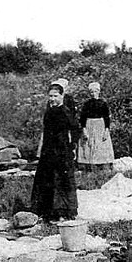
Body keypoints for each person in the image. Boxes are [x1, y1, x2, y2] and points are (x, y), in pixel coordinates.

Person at [31, 83, 80, 221]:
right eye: (50, 96)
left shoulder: (65, 111)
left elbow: (76, 129)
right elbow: (45, 132)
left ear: (62, 96)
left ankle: (63, 211)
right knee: (47, 179)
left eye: (55, 96)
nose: (52, 99)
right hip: (48, 150)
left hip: (62, 150)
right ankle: (46, 210)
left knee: (61, 180)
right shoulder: (48, 111)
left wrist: (72, 145)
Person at [77, 82, 114, 171]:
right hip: (89, 124)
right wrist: (84, 129)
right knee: (88, 144)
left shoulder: (103, 103)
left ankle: (101, 166)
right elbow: (83, 117)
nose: (94, 94)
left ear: (99, 92)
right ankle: (89, 166)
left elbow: (106, 118)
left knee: (101, 145)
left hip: (100, 126)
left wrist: (106, 130)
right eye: (92, 92)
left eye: (95, 91)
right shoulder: (87, 104)